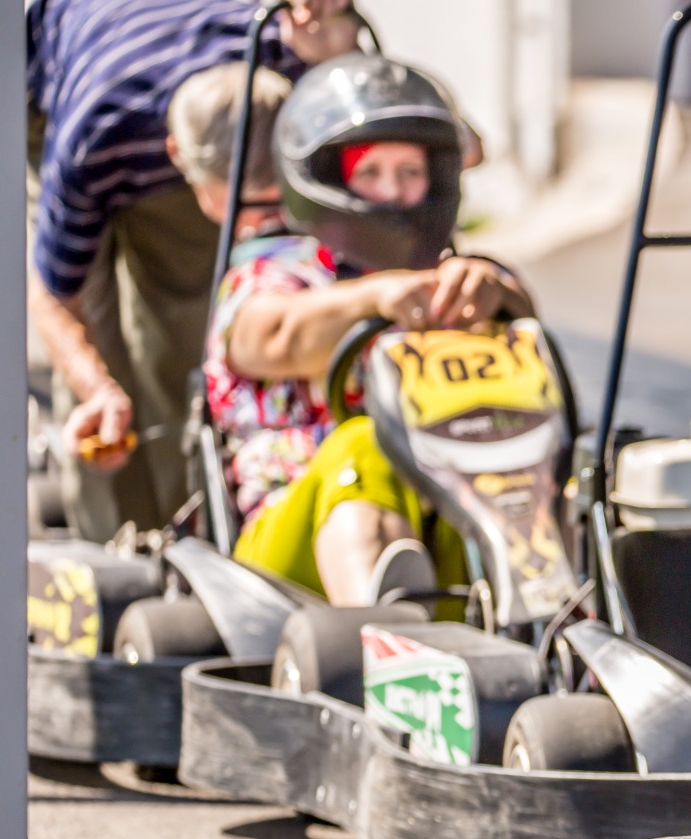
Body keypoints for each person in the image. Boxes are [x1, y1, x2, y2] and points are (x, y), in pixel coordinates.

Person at [200, 54, 529, 604]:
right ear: (331, 180)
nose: (396, 193)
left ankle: (567, 629)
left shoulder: (454, 277)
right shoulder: (276, 273)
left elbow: (528, 341)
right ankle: (383, 642)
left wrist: (496, 294)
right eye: (371, 173)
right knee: (365, 442)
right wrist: (378, 296)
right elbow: (270, 336)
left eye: (410, 173)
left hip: (446, 518)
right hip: (282, 562)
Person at [27, 0, 360, 541]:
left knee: (184, 312)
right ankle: (119, 545)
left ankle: (194, 521)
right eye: (243, 203)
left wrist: (338, 35)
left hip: (207, 72)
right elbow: (52, 297)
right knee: (94, 329)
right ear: (176, 156)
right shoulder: (91, 141)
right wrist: (100, 391)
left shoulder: (292, 53)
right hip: (72, 68)